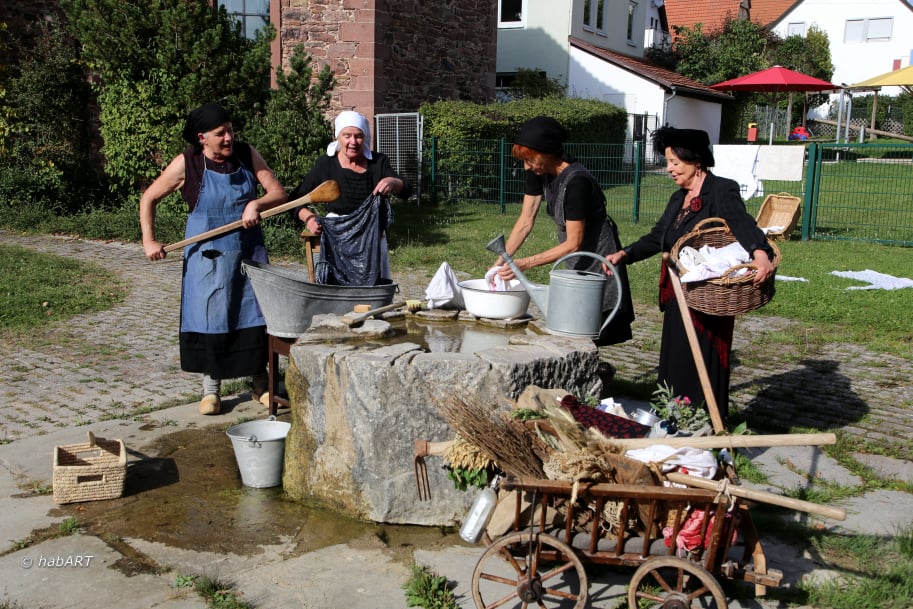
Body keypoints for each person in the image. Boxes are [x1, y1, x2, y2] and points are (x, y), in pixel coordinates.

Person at [605, 126, 775, 421]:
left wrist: (760, 254)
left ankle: (705, 423)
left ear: (695, 160)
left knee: (703, 358)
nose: (669, 169)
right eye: (668, 162)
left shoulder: (721, 189)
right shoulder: (678, 198)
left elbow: (742, 222)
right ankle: (673, 418)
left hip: (708, 294)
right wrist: (625, 254)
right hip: (678, 292)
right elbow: (660, 236)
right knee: (676, 358)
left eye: (675, 162)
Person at [140, 102, 288, 415]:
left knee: (254, 315)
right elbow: (149, 198)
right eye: (221, 133)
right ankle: (211, 390)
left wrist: (256, 205)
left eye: (231, 130)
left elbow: (279, 192)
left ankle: (260, 384)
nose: (229, 137)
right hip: (208, 260)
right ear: (202, 137)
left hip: (247, 251)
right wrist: (149, 239)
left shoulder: (247, 154)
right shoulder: (188, 163)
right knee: (212, 317)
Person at [491, 115, 634, 346]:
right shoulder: (539, 171)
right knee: (574, 317)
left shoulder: (577, 182)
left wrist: (524, 263)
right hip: (574, 255)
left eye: (529, 159)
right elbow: (526, 220)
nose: (526, 166)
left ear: (546, 153)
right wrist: (501, 261)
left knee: (592, 319)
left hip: (598, 255)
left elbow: (573, 243)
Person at [290, 110, 411, 285]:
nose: (353, 142)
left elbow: (406, 188)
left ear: (365, 137)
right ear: (338, 137)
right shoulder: (326, 165)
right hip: (336, 240)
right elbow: (295, 199)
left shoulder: (378, 163)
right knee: (336, 287)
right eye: (347, 136)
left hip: (371, 240)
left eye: (358, 136)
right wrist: (308, 218)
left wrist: (392, 181)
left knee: (372, 288)